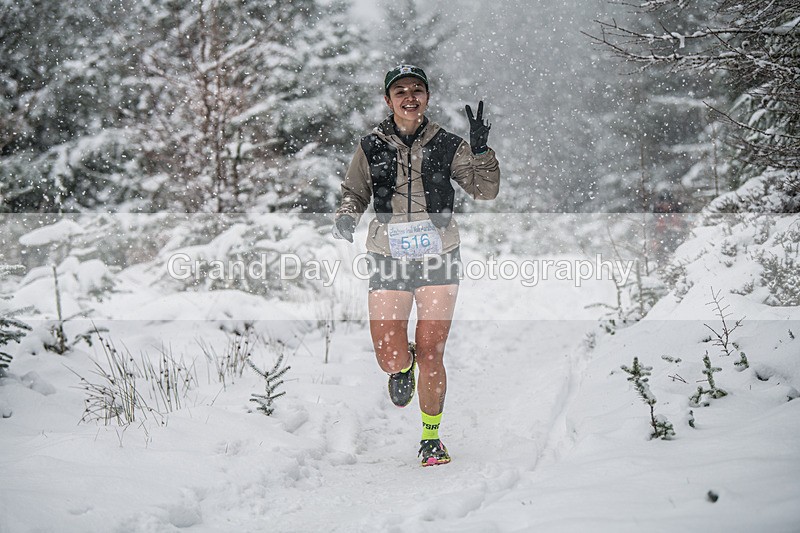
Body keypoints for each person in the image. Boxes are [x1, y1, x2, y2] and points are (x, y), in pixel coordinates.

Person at [332, 64, 501, 466]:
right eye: (401, 91)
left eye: (418, 90)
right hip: (389, 255)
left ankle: (431, 438)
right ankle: (400, 365)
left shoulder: (448, 143)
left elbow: (485, 191)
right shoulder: (370, 145)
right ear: (388, 100)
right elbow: (354, 191)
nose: (410, 97)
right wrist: (345, 215)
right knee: (389, 356)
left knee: (432, 353)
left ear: (427, 97)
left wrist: (481, 153)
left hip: (438, 255)